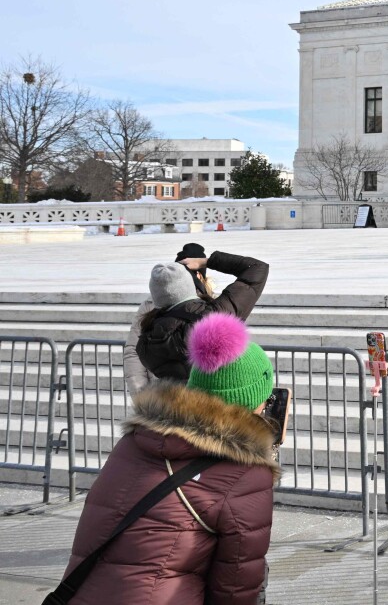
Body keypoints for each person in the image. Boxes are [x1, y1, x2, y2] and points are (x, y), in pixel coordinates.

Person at [61, 313, 279, 604]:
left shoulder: (135, 442)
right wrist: (263, 450)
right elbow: (236, 589)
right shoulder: (245, 475)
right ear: (255, 402)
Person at [134, 248, 269, 384]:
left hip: (177, 402)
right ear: (190, 286)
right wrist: (205, 262)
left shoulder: (147, 337)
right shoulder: (214, 318)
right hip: (219, 401)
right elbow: (257, 268)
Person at [125, 242, 215, 396]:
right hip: (163, 397)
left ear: (200, 276)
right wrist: (142, 396)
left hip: (204, 398)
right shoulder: (150, 305)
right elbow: (133, 351)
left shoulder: (211, 307)